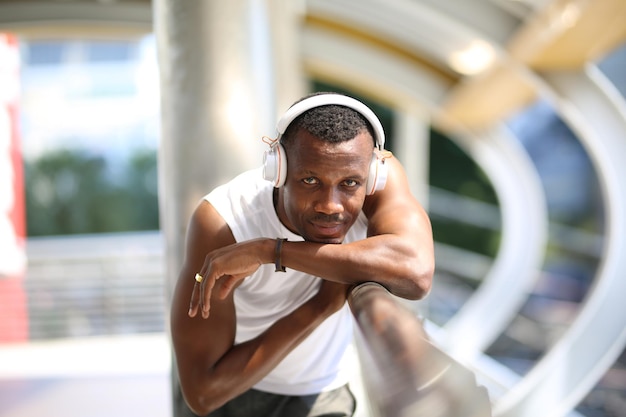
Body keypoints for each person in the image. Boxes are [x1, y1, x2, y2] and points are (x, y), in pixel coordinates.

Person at [170, 92, 435, 417]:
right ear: (277, 170)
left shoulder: (378, 183)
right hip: (233, 395)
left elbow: (416, 272)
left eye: (350, 183)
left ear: (373, 175)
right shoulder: (224, 222)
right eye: (310, 180)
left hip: (323, 394)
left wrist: (271, 250)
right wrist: (321, 306)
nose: (330, 205)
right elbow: (204, 394)